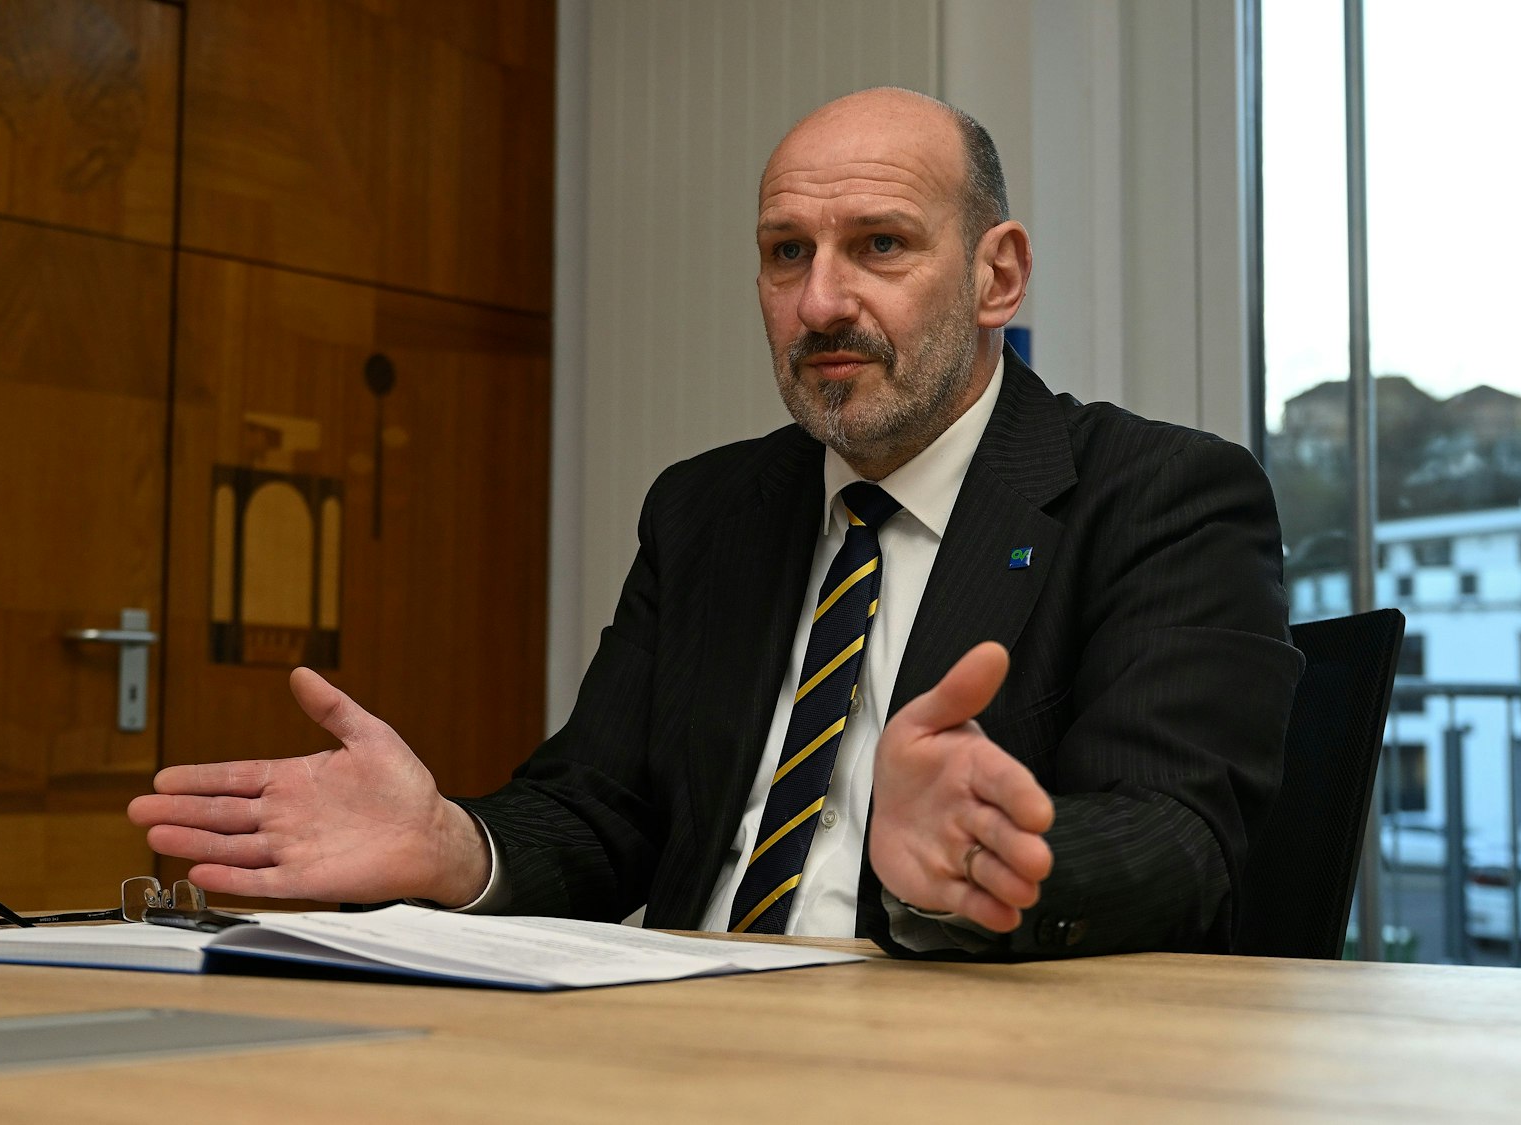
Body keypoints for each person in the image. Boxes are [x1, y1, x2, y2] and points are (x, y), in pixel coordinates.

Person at [129, 87, 1301, 959]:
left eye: (878, 245)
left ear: (997, 276)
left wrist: (964, 872)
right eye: (784, 254)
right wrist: (456, 848)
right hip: (676, 1041)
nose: (820, 302)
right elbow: (601, 814)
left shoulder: (1160, 494)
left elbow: (1182, 843)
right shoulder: (708, 508)